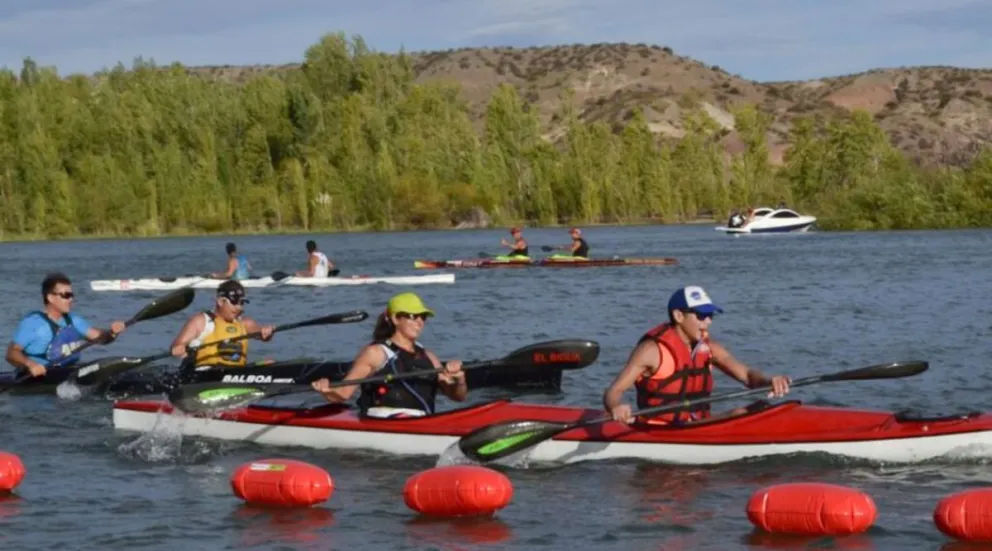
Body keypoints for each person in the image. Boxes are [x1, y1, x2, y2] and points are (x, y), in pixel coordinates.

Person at [603, 285, 791, 426]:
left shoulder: (709, 348)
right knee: (740, 413)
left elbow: (748, 376)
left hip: (698, 425)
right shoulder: (650, 351)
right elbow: (613, 392)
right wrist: (616, 407)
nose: (708, 322)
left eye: (711, 315)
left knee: (761, 407)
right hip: (661, 429)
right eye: (701, 316)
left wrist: (770, 381)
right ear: (678, 316)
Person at [311, 292, 467, 418]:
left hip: (421, 421)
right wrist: (326, 390)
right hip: (382, 422)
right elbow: (343, 394)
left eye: (423, 317)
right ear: (395, 319)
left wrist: (459, 379)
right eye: (412, 316)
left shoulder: (429, 357)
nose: (420, 322)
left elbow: (457, 397)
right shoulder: (376, 353)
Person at [5, 272, 127, 377]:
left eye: (72, 295)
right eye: (66, 295)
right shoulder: (33, 323)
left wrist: (112, 332)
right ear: (50, 297)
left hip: (69, 372)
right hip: (37, 377)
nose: (71, 299)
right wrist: (31, 364)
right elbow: (11, 353)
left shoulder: (73, 320)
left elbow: (101, 339)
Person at [170, 280, 274, 369]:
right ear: (220, 301)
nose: (238, 308)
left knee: (270, 363)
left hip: (235, 372)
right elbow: (177, 345)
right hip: (204, 373)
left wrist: (266, 331)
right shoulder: (201, 321)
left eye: (241, 303)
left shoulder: (245, 323)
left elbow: (260, 333)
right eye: (234, 303)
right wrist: (179, 348)